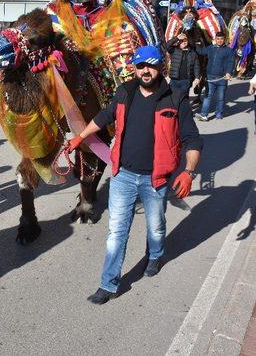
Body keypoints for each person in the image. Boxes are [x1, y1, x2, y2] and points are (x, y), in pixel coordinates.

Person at [65, 45, 202, 305]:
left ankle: (155, 256)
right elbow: (104, 117)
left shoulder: (175, 97)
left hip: (156, 179)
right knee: (116, 232)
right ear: (134, 68)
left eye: (150, 65)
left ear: (160, 66)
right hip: (122, 176)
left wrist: (189, 171)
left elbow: (192, 138)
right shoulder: (125, 92)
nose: (145, 70)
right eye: (140, 66)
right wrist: (79, 138)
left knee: (156, 227)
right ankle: (108, 283)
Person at [194, 31, 235, 121]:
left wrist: (228, 73)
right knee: (207, 96)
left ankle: (219, 113)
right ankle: (204, 115)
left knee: (221, 98)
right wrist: (196, 44)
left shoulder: (229, 50)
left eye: (221, 39)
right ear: (215, 39)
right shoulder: (210, 48)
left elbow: (231, 62)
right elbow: (201, 51)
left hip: (222, 78)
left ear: (224, 39)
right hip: (210, 77)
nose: (219, 41)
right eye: (218, 39)